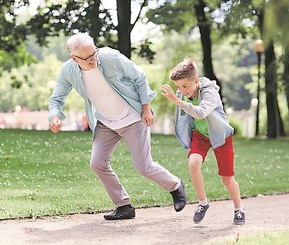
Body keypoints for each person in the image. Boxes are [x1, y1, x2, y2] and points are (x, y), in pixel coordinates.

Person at [48, 33, 186, 220]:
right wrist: (55, 116)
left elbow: (139, 77)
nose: (93, 59)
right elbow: (57, 98)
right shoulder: (68, 71)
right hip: (106, 123)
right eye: (87, 57)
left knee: (144, 167)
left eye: (94, 53)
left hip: (132, 118)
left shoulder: (110, 57)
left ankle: (175, 186)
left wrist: (146, 108)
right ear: (74, 59)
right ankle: (124, 206)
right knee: (97, 163)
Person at [161, 58, 245, 225]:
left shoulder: (209, 92)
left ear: (196, 81)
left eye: (185, 86)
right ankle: (203, 203)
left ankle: (239, 209)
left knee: (227, 178)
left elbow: (201, 113)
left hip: (221, 136)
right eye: (178, 87)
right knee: (193, 163)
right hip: (200, 135)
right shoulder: (182, 94)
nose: (182, 91)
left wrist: (178, 101)